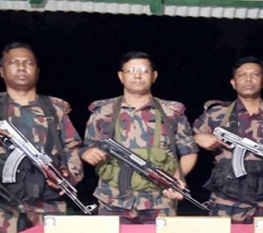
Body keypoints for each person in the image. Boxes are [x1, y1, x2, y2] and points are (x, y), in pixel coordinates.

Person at [0, 42, 83, 233]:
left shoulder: (55, 109)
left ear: (37, 71)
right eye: (14, 63)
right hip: (0, 205)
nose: (21, 68)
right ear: (2, 71)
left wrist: (67, 176)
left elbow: (72, 147)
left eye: (28, 63)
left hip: (48, 203)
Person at [81, 51, 198, 223]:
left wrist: (176, 178)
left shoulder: (171, 112)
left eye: (144, 70)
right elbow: (88, 147)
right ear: (121, 76)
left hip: (160, 201)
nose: (137, 75)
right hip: (112, 200)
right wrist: (87, 153)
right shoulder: (102, 111)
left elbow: (189, 151)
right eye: (131, 70)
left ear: (154, 76)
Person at [192, 56, 263, 223]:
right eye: (242, 75)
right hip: (225, 200)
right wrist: (198, 137)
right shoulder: (217, 113)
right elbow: (184, 141)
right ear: (233, 82)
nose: (248, 79)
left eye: (255, 74)